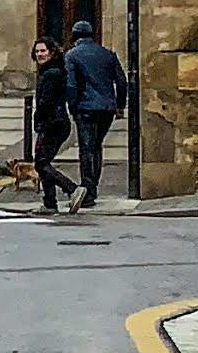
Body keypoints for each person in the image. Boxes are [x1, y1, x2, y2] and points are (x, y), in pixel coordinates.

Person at [62, 18, 128, 209]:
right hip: (107, 107)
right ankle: (93, 187)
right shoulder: (108, 54)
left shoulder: (72, 55)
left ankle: (88, 191)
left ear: (75, 36)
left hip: (85, 107)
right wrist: (120, 105)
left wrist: (72, 107)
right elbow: (122, 82)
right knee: (97, 146)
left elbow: (71, 85)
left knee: (86, 148)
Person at [26, 36, 72, 215]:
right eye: (37, 51)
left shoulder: (51, 73)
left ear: (52, 52)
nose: (39, 54)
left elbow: (47, 102)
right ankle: (50, 203)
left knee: (41, 163)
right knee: (43, 163)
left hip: (53, 123)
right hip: (56, 122)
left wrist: (39, 120)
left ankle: (72, 189)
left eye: (43, 51)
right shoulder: (51, 71)